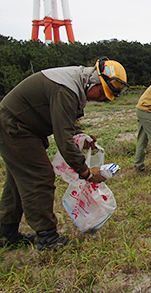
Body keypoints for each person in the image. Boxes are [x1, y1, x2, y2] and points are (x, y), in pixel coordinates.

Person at [0, 57, 129, 250]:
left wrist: (81, 136)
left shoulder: (76, 83)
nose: (103, 98)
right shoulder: (65, 89)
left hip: (21, 126)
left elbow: (67, 125)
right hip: (15, 127)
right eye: (103, 92)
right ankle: (47, 238)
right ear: (94, 80)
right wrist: (86, 172)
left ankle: (6, 234)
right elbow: (63, 139)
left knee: (18, 181)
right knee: (39, 177)